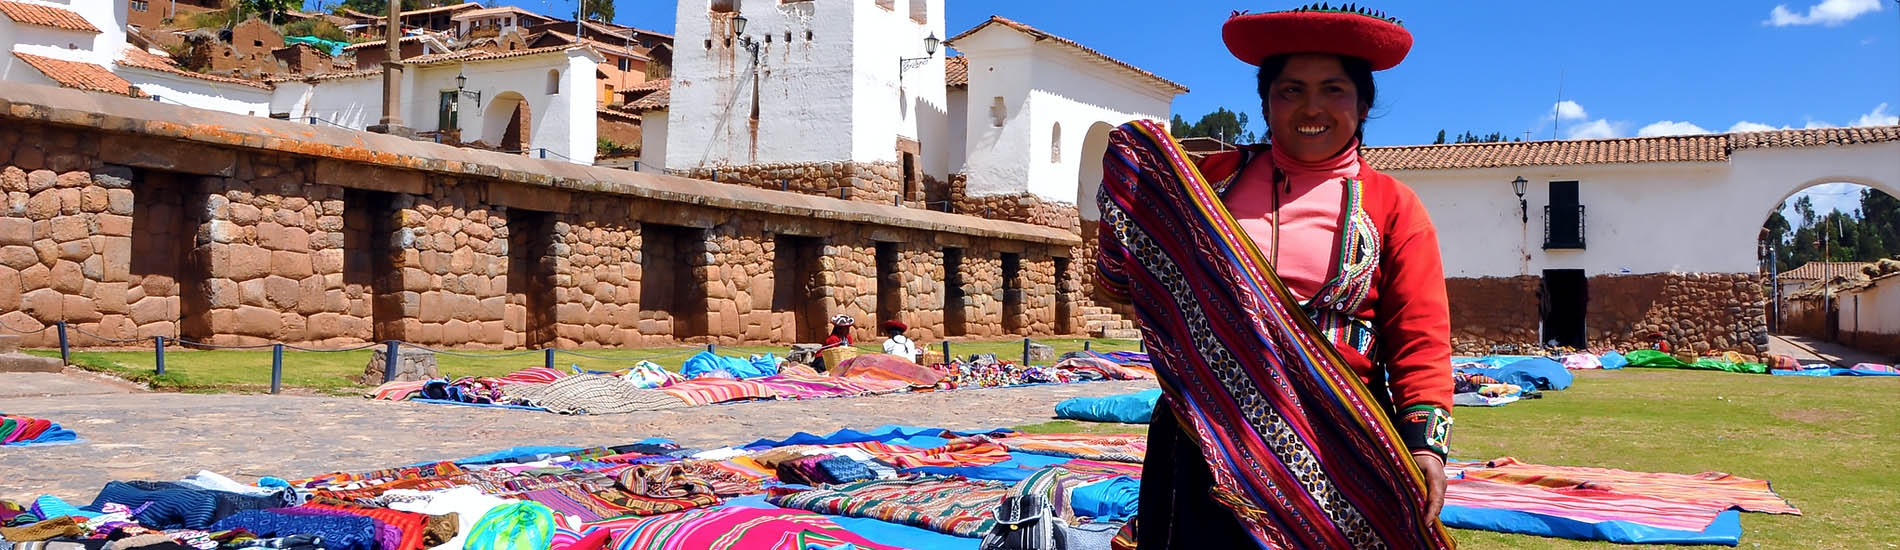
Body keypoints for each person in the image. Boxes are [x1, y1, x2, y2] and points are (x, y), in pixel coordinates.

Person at [1095, 5, 1453, 547]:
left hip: (1335, 439)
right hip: (1206, 430)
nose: (1312, 107)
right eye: (1291, 90)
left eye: (1333, 89)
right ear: (1265, 102)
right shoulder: (1210, 183)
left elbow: (1420, 338)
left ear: (1362, 104)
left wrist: (1425, 446)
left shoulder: (1393, 206)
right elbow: (1134, 258)